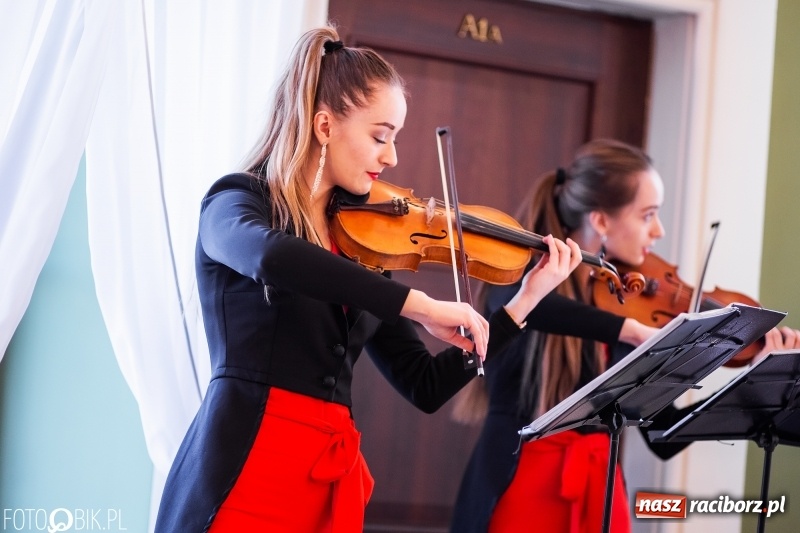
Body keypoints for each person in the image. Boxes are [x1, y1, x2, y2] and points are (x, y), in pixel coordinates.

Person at [152, 25, 587, 533]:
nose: (392, 157)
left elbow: (424, 385)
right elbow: (272, 258)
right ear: (324, 125)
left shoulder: (365, 242)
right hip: (245, 463)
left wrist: (524, 301)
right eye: (380, 136)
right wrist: (420, 304)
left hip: (324, 477)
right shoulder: (237, 202)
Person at [449, 139, 800, 533]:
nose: (658, 231)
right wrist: (632, 331)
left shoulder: (622, 300)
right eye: (648, 215)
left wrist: (754, 379)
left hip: (601, 488)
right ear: (601, 222)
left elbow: (664, 435)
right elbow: (519, 305)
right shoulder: (524, 281)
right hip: (522, 485)